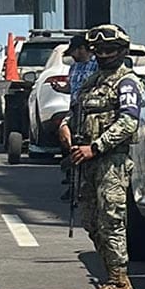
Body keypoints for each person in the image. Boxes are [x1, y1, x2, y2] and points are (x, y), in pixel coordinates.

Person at [58, 24, 143, 289]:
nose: (103, 55)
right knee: (92, 222)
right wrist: (66, 126)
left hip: (111, 162)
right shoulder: (90, 81)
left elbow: (129, 122)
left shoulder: (127, 82)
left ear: (121, 51)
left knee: (111, 220)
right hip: (85, 162)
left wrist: (96, 147)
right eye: (98, 50)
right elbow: (76, 112)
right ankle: (113, 277)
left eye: (109, 50)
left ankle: (118, 281)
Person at [57, 35, 98, 200]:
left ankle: (85, 186)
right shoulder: (74, 68)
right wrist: (61, 89)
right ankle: (73, 184)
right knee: (68, 144)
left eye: (74, 51)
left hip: (91, 112)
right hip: (74, 111)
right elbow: (71, 88)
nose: (72, 55)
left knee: (86, 147)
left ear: (82, 49)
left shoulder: (96, 65)